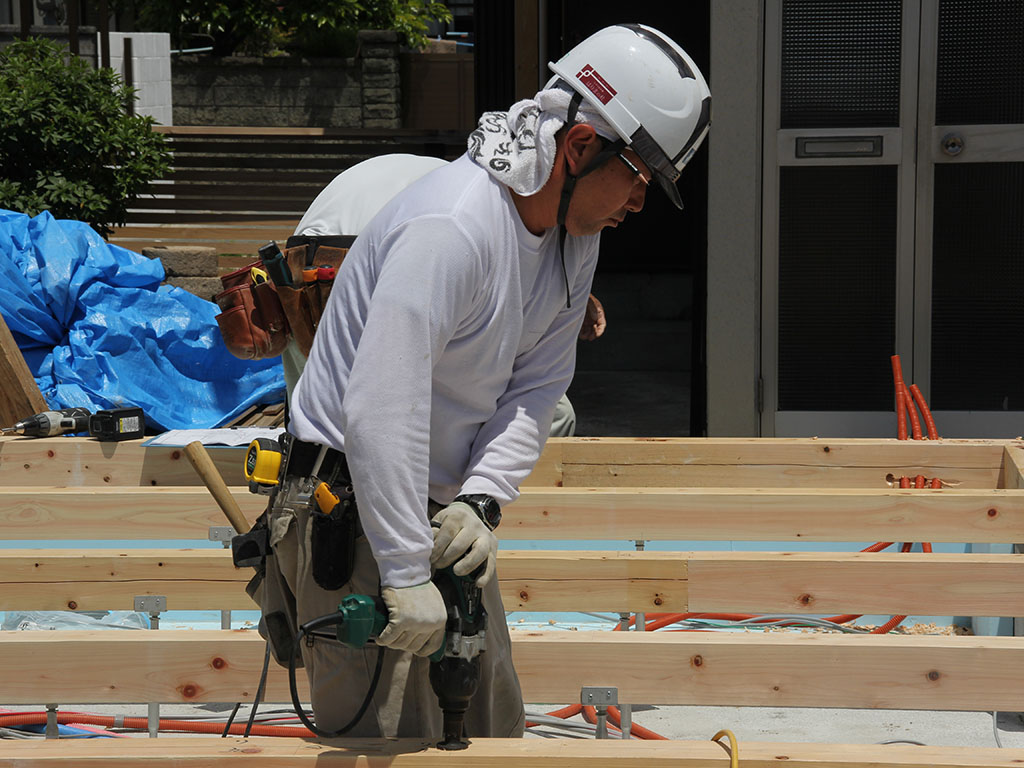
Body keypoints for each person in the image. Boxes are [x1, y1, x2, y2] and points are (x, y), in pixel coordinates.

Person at [269, 23, 711, 739]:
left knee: (487, 721)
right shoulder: (453, 228)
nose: (638, 204)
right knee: (387, 736)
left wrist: (481, 500)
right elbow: (382, 407)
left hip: (444, 502)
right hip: (348, 498)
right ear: (577, 147)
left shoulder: (578, 239)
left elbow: (539, 386)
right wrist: (406, 572)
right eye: (636, 178)